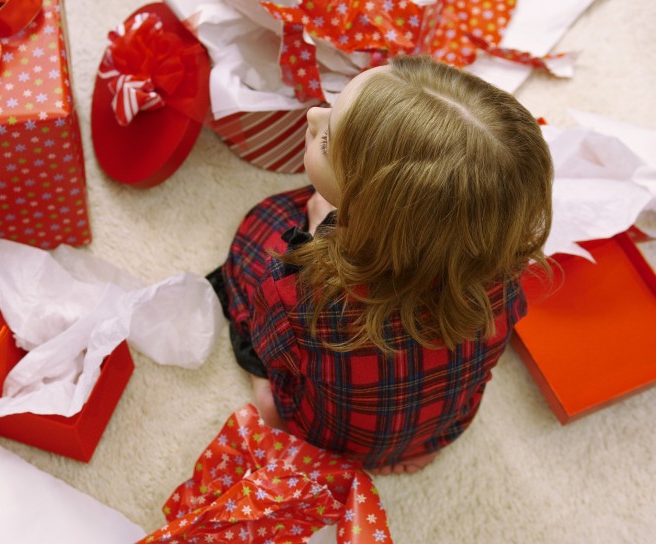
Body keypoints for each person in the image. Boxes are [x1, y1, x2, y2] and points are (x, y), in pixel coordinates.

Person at [208, 55, 553, 475]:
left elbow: (271, 349)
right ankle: (412, 450)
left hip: (327, 438)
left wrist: (317, 230)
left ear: (376, 211)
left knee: (261, 229)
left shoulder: (303, 299)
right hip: (441, 431)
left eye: (327, 141)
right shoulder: (505, 273)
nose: (315, 115)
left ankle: (271, 407)